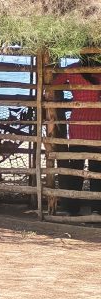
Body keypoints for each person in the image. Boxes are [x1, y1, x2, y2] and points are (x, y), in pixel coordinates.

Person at [53, 54, 101, 215]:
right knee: (97, 170)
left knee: (75, 168)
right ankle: (97, 209)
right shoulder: (99, 70)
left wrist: (70, 90)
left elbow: (53, 85)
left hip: (78, 123)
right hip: (97, 125)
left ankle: (71, 209)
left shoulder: (72, 69)